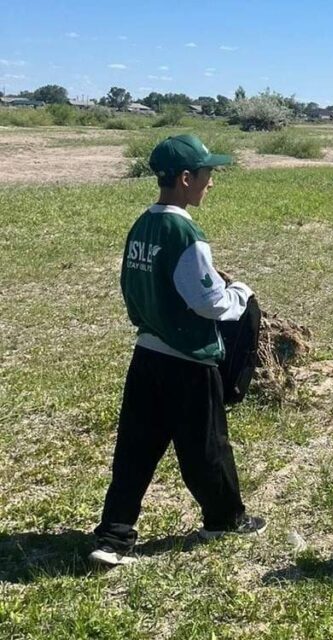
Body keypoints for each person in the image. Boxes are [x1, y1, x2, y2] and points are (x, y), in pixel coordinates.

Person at [89, 134, 266, 567]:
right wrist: (239, 293)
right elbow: (209, 302)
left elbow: (132, 286)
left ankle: (112, 537)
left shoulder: (143, 225)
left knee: (134, 451)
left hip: (147, 354)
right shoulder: (184, 231)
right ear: (186, 178)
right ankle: (225, 519)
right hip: (188, 360)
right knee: (206, 448)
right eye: (207, 174)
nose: (211, 183)